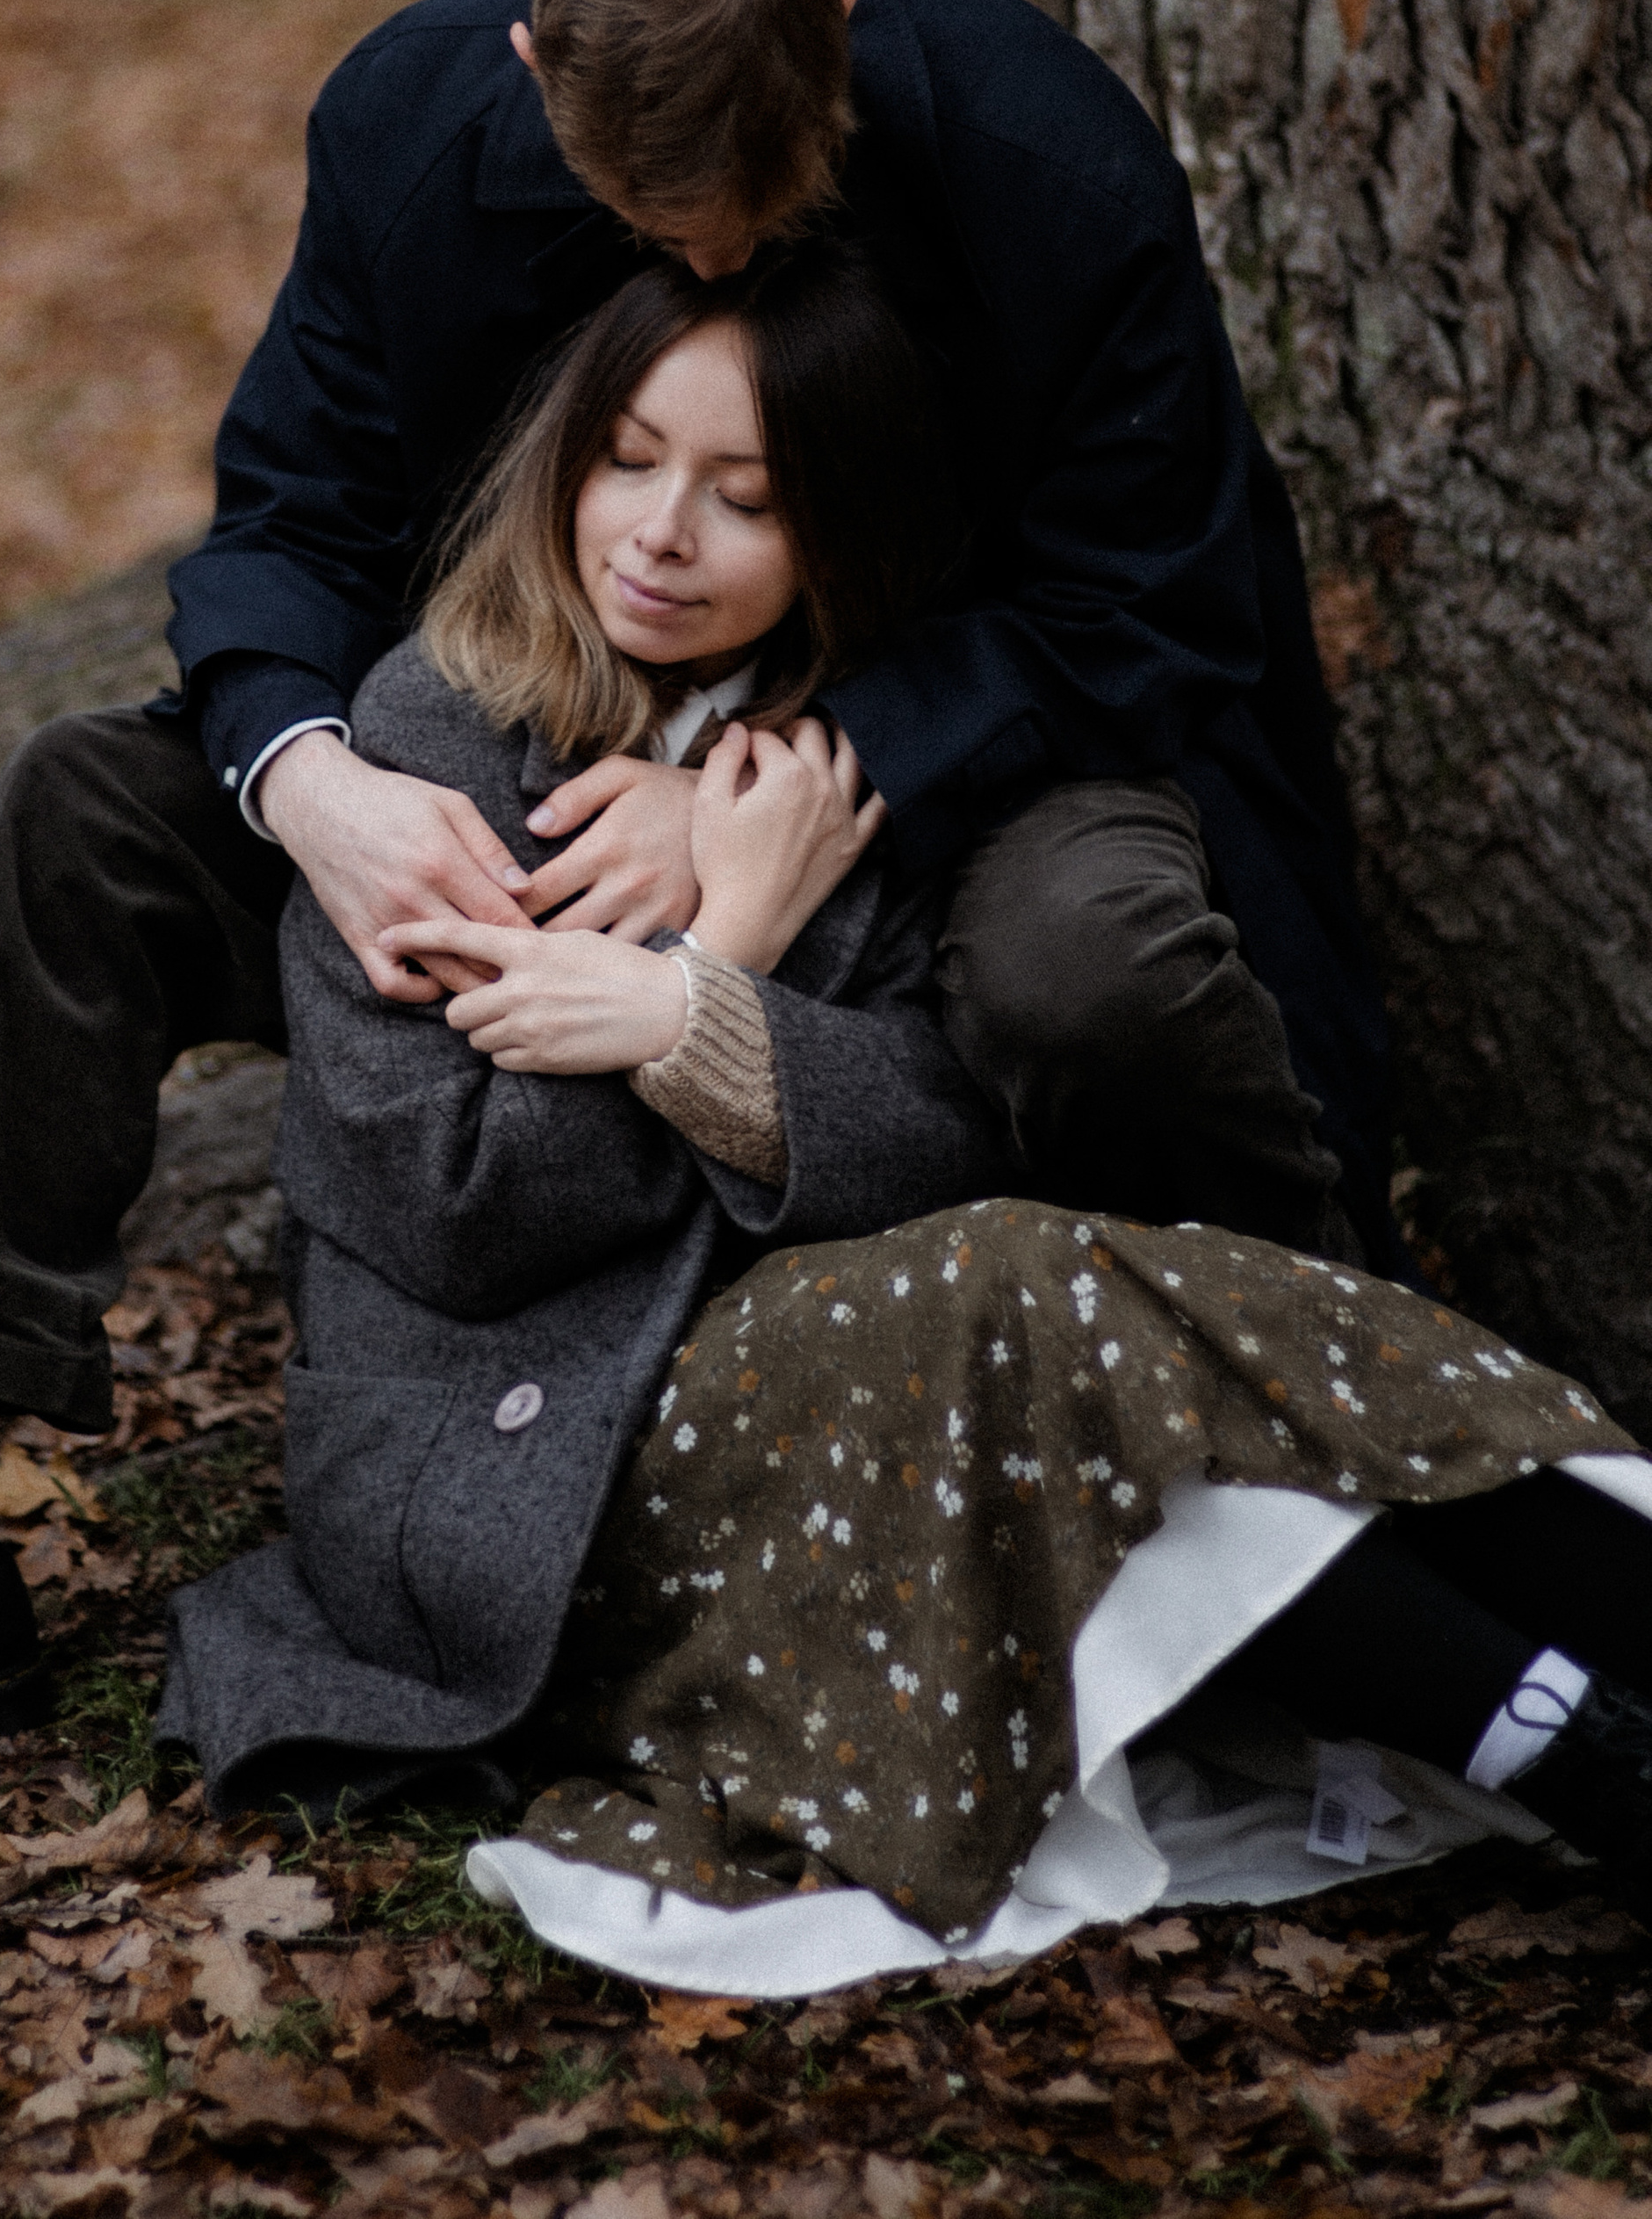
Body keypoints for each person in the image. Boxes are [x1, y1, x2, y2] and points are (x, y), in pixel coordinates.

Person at [0, 0, 1390, 1837]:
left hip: (961, 752)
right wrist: (310, 784)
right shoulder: (412, 126)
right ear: (529, 68)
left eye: (757, 204)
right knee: (88, 811)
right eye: (645, 215)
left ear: (840, 32)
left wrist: (770, 771)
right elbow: (290, 513)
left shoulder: (1049, 163)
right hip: (522, 754)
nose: (704, 251)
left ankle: (1330, 1453)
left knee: (1088, 970)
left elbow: (1143, 608)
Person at [154, 252, 1652, 1975]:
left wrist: (696, 1008)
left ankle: (1594, 1706)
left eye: (745, 499)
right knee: (1026, 1299)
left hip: (866, 1380)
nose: (659, 533)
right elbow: (467, 1219)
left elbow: (953, 1137)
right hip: (516, 1470)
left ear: (838, 536)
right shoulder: (434, 736)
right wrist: (720, 965)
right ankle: (1583, 1759)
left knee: (1078, 1331)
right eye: (627, 461)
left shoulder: (833, 772)